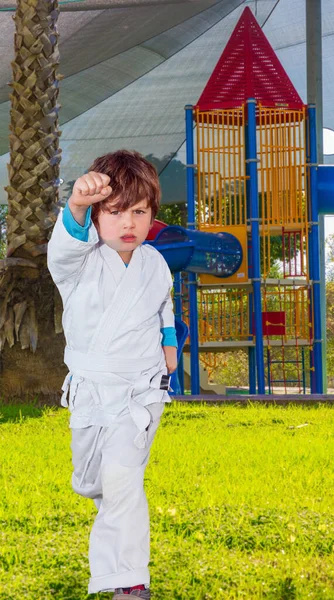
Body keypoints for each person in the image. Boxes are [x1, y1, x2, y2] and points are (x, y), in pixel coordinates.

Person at [47, 150, 178, 599]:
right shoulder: (79, 263)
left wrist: (169, 341)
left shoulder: (155, 263)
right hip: (89, 392)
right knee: (93, 482)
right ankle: (121, 560)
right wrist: (77, 207)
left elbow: (164, 303)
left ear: (152, 216)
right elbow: (63, 250)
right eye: (116, 211)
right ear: (98, 219)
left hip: (139, 393)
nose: (129, 223)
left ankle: (127, 581)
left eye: (139, 212)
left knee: (123, 479)